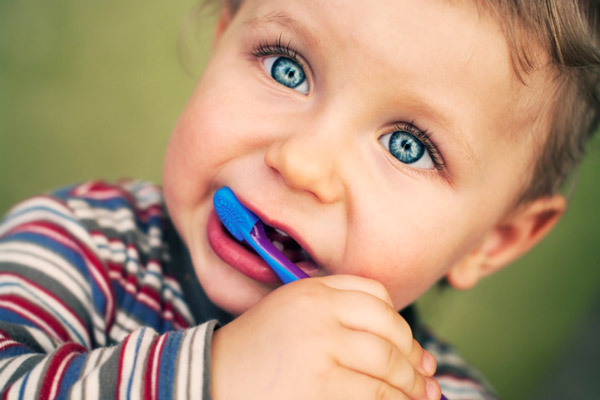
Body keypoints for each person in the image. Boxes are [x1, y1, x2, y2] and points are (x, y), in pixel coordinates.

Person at [0, 0, 598, 399]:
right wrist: (218, 378)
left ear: (493, 241)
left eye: (408, 147)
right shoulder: (78, 247)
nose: (302, 163)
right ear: (221, 39)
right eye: (286, 68)